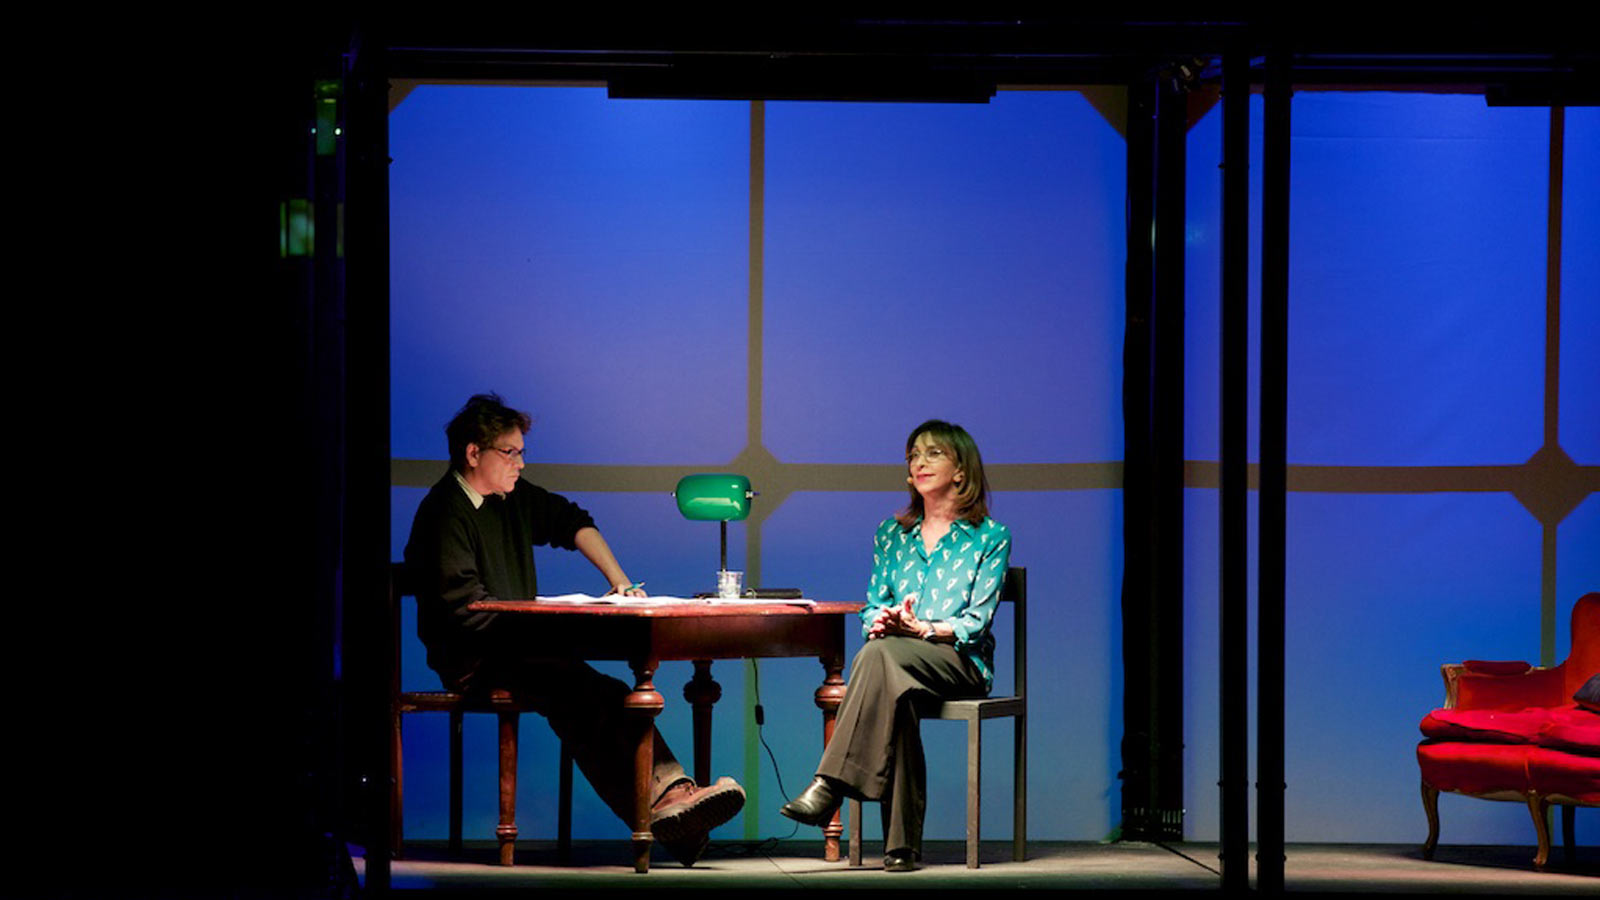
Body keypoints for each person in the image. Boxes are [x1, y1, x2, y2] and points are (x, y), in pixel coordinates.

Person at [404, 393, 744, 866]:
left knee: (599, 695)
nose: (521, 463)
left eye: (522, 452)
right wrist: (543, 629)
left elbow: (573, 522)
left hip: (520, 653)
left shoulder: (512, 499)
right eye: (510, 452)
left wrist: (620, 582)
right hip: (475, 660)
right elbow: (467, 613)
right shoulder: (443, 513)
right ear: (473, 453)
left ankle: (669, 808)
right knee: (589, 693)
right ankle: (669, 799)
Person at [779, 419, 1011, 871]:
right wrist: (884, 620)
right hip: (897, 661)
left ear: (961, 470)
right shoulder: (891, 533)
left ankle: (830, 785)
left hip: (958, 661)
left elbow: (976, 622)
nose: (919, 462)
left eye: (933, 453)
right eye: (913, 455)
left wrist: (923, 628)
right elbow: (872, 605)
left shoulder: (990, 536)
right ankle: (901, 848)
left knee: (880, 658)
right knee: (889, 676)